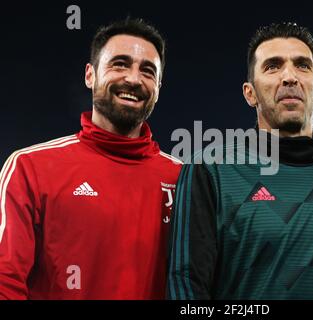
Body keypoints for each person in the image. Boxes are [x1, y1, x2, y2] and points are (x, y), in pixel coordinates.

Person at [167, 22, 313, 299]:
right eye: (272, 66)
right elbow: (186, 287)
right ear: (250, 93)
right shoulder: (210, 169)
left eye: (302, 65)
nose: (289, 77)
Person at [0, 18, 182, 299]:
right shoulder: (29, 167)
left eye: (147, 71)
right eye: (119, 64)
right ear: (90, 75)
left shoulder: (185, 179)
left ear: (158, 87)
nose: (133, 79)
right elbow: (5, 279)